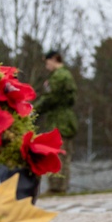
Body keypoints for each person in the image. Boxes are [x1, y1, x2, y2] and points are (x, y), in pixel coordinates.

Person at [35, 50, 79, 193]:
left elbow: (49, 98)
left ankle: (57, 188)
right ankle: (60, 187)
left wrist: (32, 111)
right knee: (63, 154)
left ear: (54, 59)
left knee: (56, 153)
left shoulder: (59, 76)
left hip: (59, 120)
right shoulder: (65, 75)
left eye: (47, 62)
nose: (47, 66)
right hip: (63, 119)